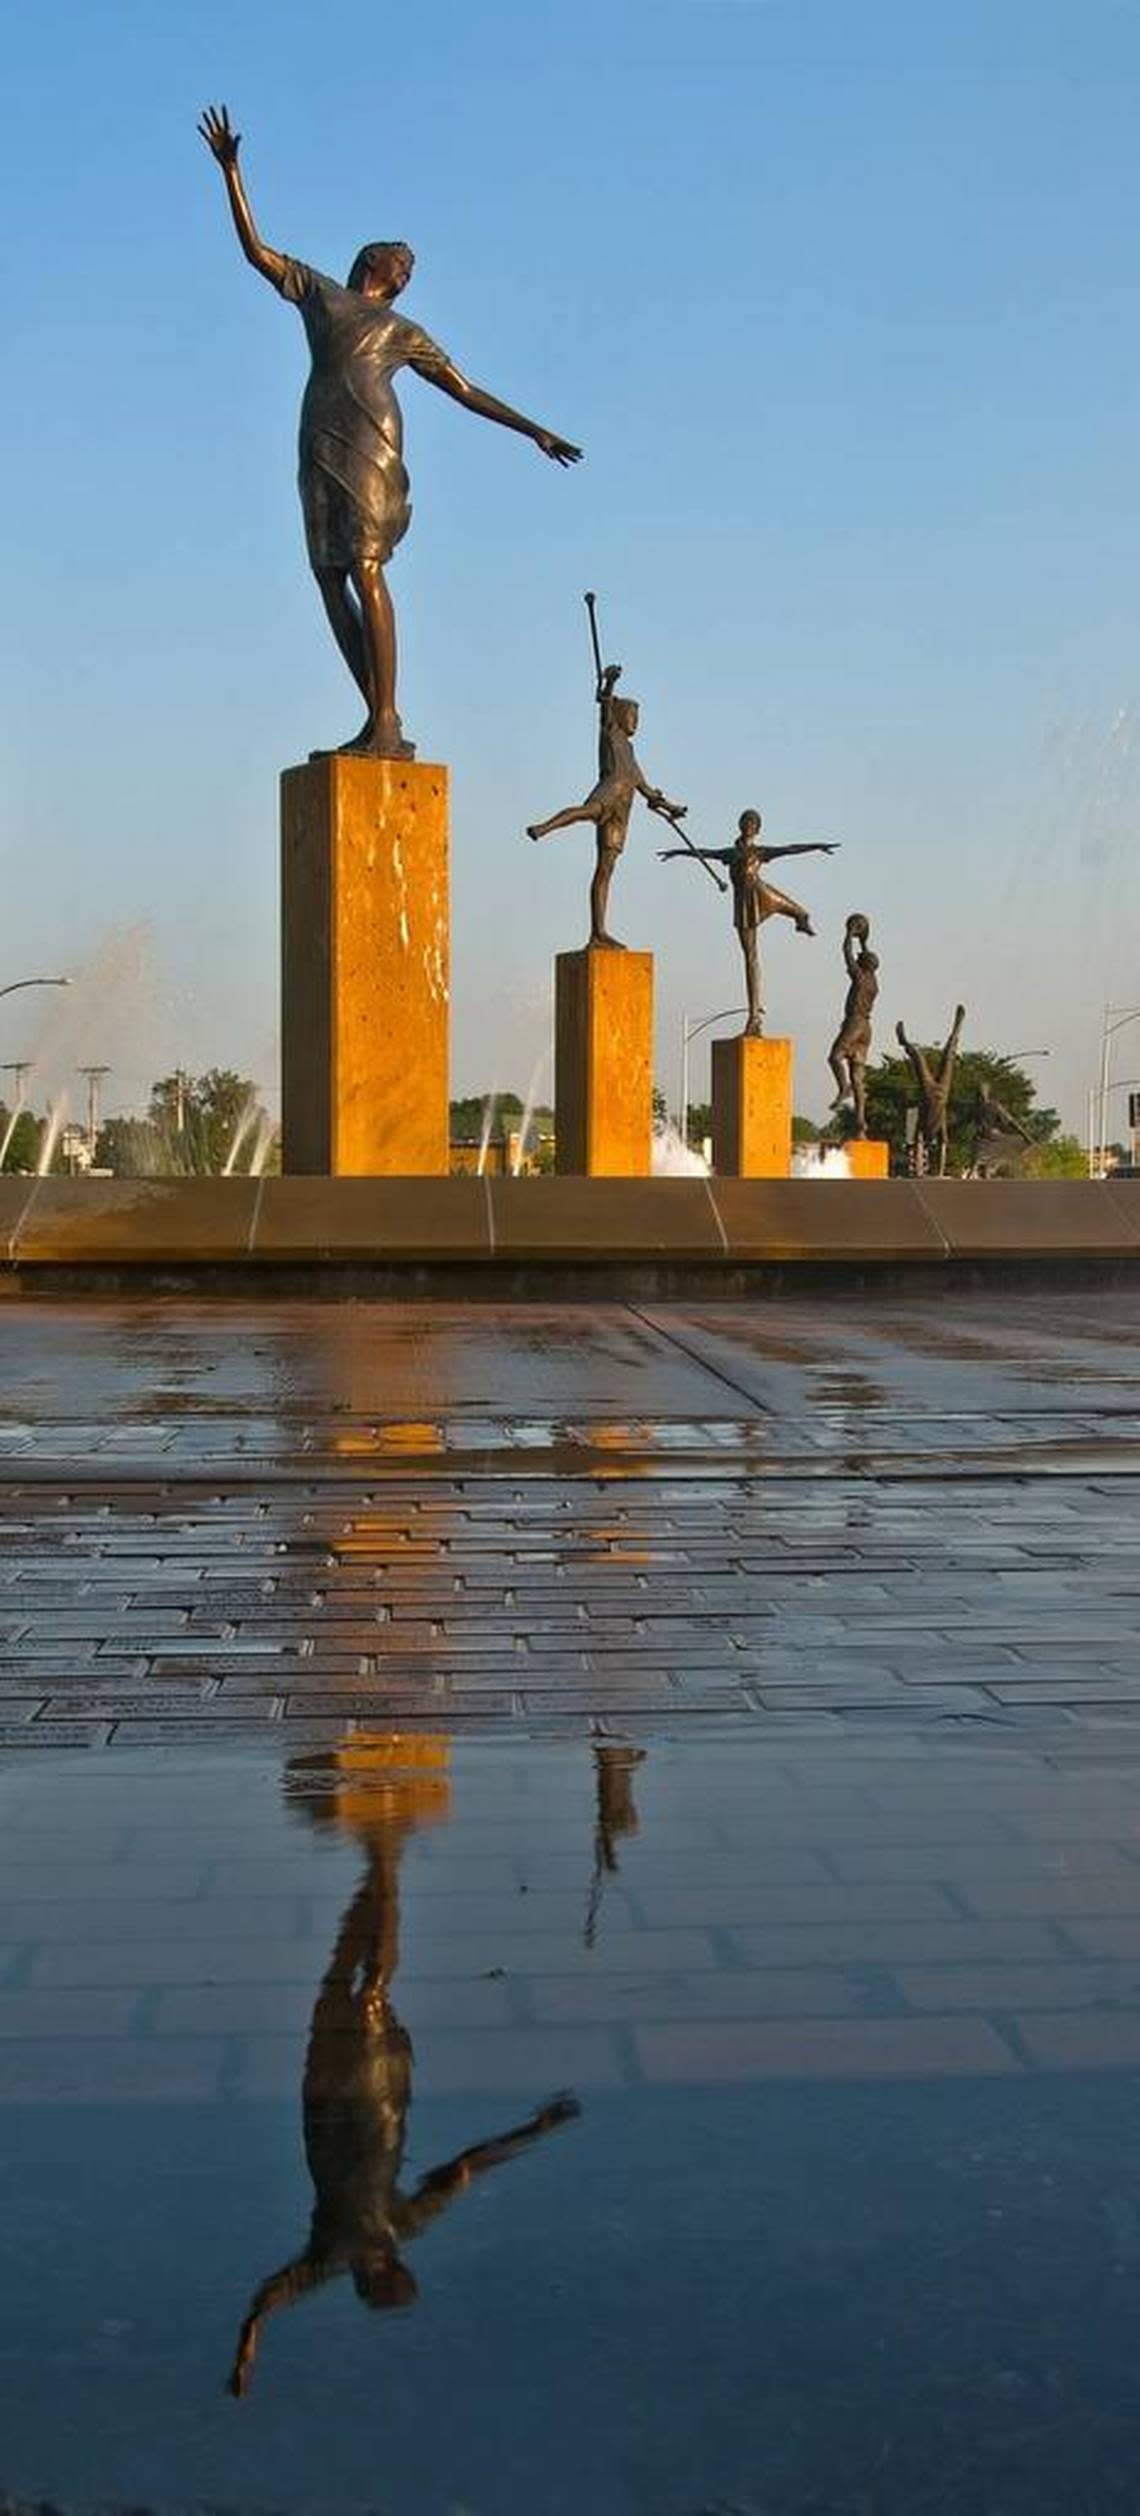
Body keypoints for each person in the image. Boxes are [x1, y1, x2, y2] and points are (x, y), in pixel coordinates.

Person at [199, 105, 581, 760]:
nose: (407, 268)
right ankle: (376, 717)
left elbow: (464, 389)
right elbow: (256, 253)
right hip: (320, 436)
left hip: (372, 444)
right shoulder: (322, 295)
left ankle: (387, 719)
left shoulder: (405, 334)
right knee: (327, 574)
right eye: (399, 259)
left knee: (367, 566)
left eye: (412, 269)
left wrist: (533, 430)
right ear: (370, 261)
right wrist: (233, 172)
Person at [228, 1759, 579, 2396]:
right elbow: (469, 2168)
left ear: (385, 2275)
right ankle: (383, 1871)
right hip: (343, 2103)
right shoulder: (368, 2240)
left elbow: (468, 2166)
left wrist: (250, 2340)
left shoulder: (355, 2245)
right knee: (356, 1993)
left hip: (360, 2101)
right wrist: (252, 2331)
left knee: (354, 1991)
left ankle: (381, 1872)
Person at [527, 663, 686, 947]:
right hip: (609, 792)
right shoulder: (611, 733)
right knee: (586, 812)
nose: (635, 721)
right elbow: (604, 704)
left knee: (605, 869)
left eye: (638, 717)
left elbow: (648, 792)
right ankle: (545, 827)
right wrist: (610, 682)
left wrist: (671, 808)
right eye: (632, 715)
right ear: (621, 716)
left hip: (623, 810)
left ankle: (598, 931)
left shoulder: (631, 753)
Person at [659, 810, 837, 1035]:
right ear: (740, 825)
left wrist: (818, 846)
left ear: (757, 829)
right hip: (743, 903)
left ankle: (801, 919)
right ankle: (754, 1016)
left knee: (797, 911)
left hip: (760, 893)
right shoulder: (731, 853)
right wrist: (679, 852)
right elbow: (704, 853)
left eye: (753, 823)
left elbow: (789, 849)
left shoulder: (759, 852)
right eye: (745, 821)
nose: (748, 825)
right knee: (750, 957)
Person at [895, 1006, 966, 1176]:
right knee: (949, 1054)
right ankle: (957, 1026)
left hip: (929, 1093)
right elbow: (943, 1143)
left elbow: (921, 1141)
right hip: (942, 1092)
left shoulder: (922, 1125)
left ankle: (904, 1042)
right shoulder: (939, 1122)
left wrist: (931, 1172)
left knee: (919, 1059)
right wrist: (939, 1173)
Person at [827, 914, 880, 1137]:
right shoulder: (873, 981)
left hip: (855, 1023)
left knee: (835, 1056)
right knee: (858, 1076)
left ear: (863, 965)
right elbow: (864, 957)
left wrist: (850, 934)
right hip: (866, 1029)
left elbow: (846, 953)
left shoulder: (859, 977)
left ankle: (843, 1088)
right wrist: (864, 939)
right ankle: (861, 1125)